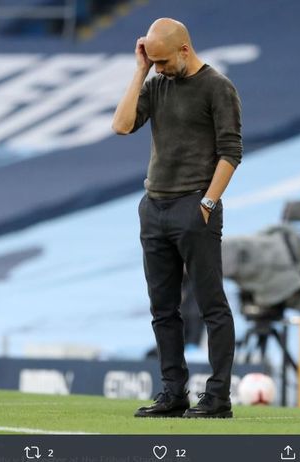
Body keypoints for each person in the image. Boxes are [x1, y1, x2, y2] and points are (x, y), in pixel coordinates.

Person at [112, 18, 242, 418]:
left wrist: (207, 204)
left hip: (193, 206)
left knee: (210, 304)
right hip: (154, 207)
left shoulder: (217, 87)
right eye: (155, 62)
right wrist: (140, 70)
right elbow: (121, 126)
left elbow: (230, 152)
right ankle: (173, 393)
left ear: (185, 49)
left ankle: (218, 396)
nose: (161, 68)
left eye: (164, 61)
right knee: (163, 308)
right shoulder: (156, 83)